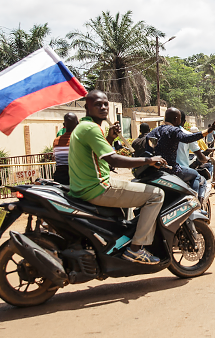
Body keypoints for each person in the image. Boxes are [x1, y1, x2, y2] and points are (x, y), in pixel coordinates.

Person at [69, 90, 167, 264]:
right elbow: (113, 159)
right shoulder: (91, 128)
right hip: (98, 187)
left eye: (105, 104)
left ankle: (126, 237)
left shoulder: (85, 126)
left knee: (132, 188)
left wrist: (109, 137)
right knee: (156, 194)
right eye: (98, 104)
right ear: (87, 107)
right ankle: (136, 248)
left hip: (86, 186)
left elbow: (95, 156)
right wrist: (149, 160)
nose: (103, 107)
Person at [148, 108, 215, 192]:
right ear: (176, 119)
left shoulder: (154, 131)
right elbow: (187, 138)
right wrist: (207, 131)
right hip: (172, 169)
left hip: (156, 170)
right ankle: (196, 201)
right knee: (197, 176)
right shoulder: (174, 130)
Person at [175, 112, 208, 201]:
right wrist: (204, 159)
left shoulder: (160, 133)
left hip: (164, 171)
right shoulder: (187, 135)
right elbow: (200, 155)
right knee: (198, 176)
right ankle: (196, 203)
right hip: (180, 169)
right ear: (183, 122)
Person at [53, 113, 78, 185]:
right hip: (75, 179)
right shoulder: (79, 140)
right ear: (77, 124)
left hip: (59, 178)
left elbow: (56, 158)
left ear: (64, 124)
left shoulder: (56, 141)